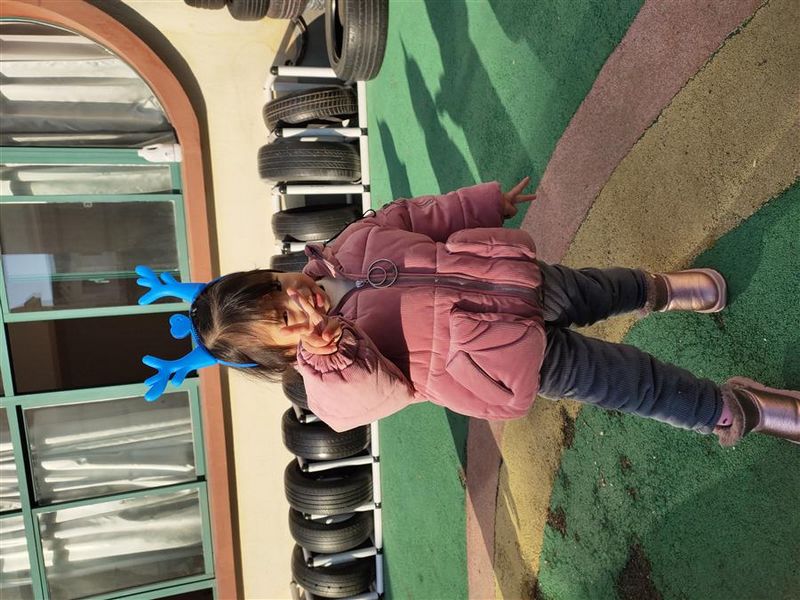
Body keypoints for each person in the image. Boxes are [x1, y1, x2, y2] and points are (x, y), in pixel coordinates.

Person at [162, 179, 800, 446]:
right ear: (281, 353)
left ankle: (657, 290)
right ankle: (729, 410)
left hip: (518, 281)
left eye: (278, 287)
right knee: (626, 381)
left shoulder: (346, 248)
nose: (296, 300)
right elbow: (371, 398)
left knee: (604, 289)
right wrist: (334, 355)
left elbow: (414, 217)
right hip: (506, 359)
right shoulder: (326, 374)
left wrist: (482, 204)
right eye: (282, 320)